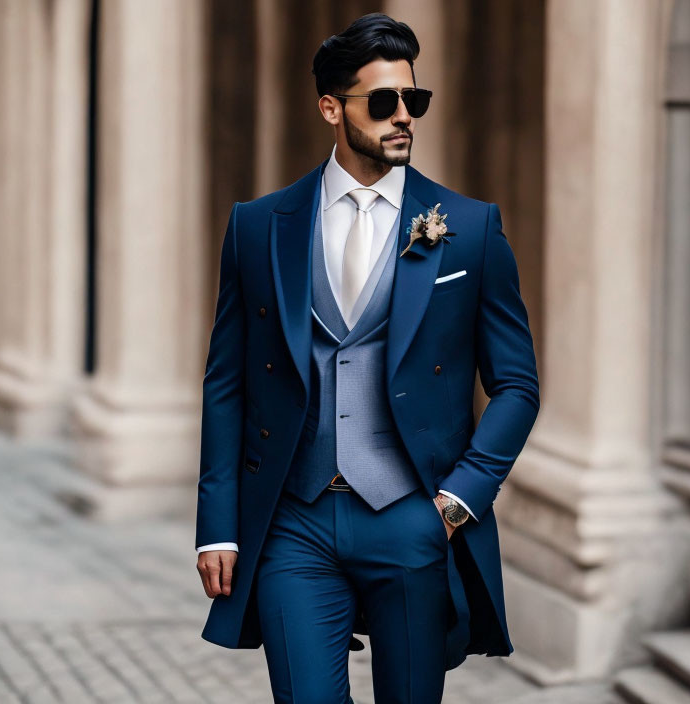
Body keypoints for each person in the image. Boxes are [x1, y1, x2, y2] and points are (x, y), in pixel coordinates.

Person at [195, 12, 540, 703]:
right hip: (292, 522)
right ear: (331, 108)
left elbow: (516, 385)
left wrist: (456, 501)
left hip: (411, 519)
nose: (404, 116)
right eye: (383, 102)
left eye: (414, 101)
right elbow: (227, 382)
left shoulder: (468, 229)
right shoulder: (259, 226)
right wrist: (218, 527)